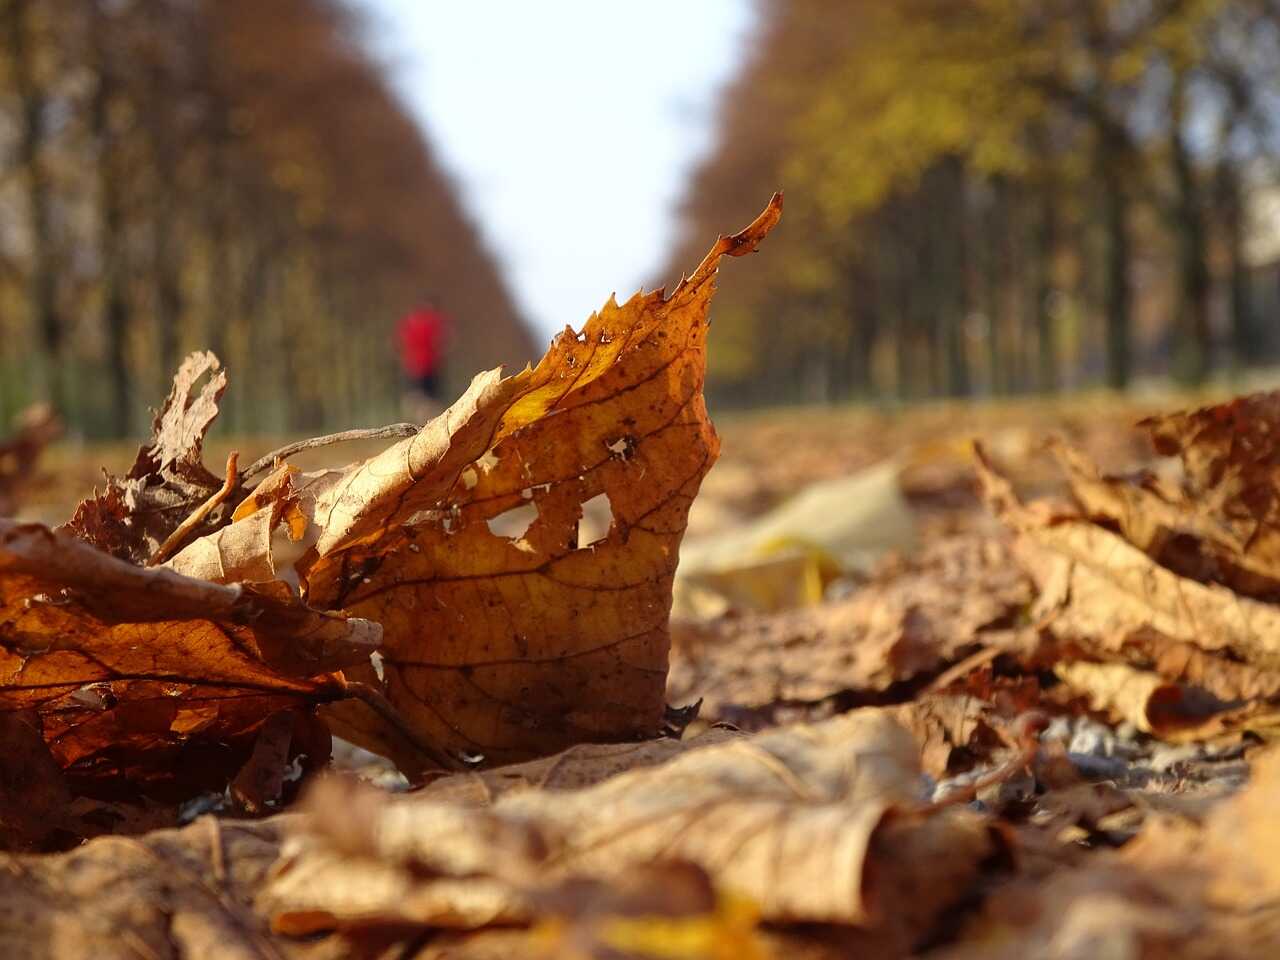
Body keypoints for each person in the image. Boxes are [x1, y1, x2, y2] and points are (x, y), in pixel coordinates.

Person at [396, 299, 449, 420]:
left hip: (413, 365)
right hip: (429, 365)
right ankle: (427, 420)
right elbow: (442, 342)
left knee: (417, 395)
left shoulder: (410, 322)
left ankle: (416, 419)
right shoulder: (434, 322)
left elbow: (401, 341)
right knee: (430, 397)